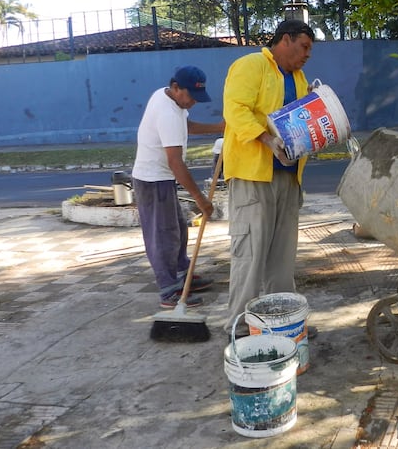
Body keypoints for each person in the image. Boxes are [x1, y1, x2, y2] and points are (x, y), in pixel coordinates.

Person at [222, 19, 315, 338]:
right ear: (285, 40)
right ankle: (239, 327)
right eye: (303, 47)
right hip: (253, 177)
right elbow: (235, 110)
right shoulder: (250, 65)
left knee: (282, 257)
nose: (306, 55)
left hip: (288, 177)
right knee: (250, 251)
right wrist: (267, 140)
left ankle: (281, 323)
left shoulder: (300, 79)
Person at [132, 66, 225, 308]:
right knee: (164, 236)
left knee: (179, 231)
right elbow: (176, 162)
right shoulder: (168, 112)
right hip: (153, 180)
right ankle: (168, 290)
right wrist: (200, 199)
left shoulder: (169, 99)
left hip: (161, 178)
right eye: (191, 97)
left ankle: (184, 273)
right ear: (176, 88)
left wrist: (219, 128)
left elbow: (188, 126)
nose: (193, 102)